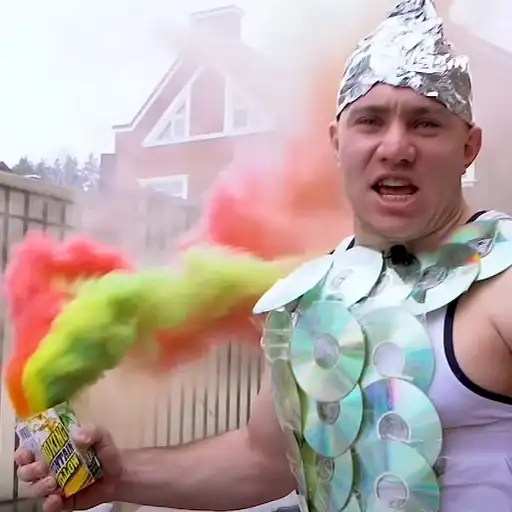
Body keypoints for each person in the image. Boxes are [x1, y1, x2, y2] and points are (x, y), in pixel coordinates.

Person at [15, 1, 512, 511]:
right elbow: (264, 460)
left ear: (468, 147)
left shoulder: (504, 282)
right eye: (371, 121)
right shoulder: (312, 298)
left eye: (426, 124)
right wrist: (119, 475)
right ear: (337, 142)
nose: (395, 147)